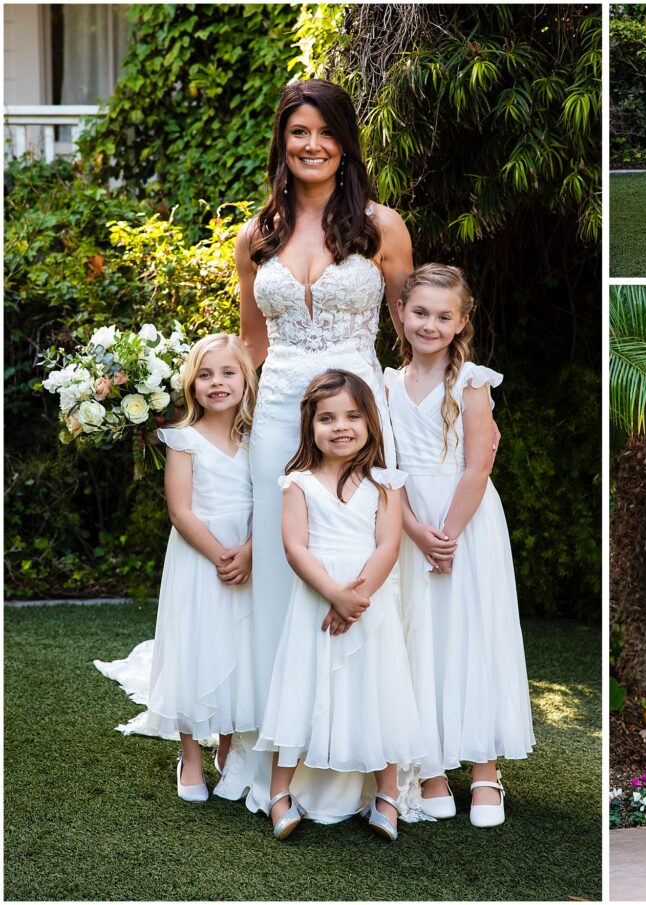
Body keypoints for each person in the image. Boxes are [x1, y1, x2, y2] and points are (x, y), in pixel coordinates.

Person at [216, 78, 416, 820]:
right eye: (298, 131)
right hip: (277, 418)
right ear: (282, 140)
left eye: (324, 131)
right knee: (281, 572)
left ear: (344, 140)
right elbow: (251, 342)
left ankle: (368, 764)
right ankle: (280, 755)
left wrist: (429, 416)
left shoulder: (379, 226)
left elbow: (412, 327)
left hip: (357, 411)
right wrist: (216, 423)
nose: (311, 145)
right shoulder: (255, 235)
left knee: (364, 564)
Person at [384, 264, 535, 828]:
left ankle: (485, 769)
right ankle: (430, 768)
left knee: (472, 630)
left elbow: (479, 464)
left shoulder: (472, 381)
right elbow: (382, 467)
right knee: (418, 636)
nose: (429, 324)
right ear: (400, 314)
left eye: (443, 316)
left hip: (466, 522)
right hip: (408, 519)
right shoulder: (384, 384)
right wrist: (417, 531)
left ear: (460, 322)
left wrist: (446, 533)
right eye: (419, 312)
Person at [255, 370, 423, 841]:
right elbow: (296, 548)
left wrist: (355, 600)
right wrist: (334, 594)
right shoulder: (297, 483)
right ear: (310, 426)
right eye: (327, 418)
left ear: (370, 421)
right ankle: (279, 793)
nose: (340, 426)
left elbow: (388, 546)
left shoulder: (386, 483)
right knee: (300, 689)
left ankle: (386, 795)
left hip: (370, 607)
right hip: (316, 602)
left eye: (352, 415)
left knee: (379, 690)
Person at [148, 333, 259, 801]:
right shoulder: (183, 440)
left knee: (241, 647)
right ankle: (190, 755)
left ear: (245, 378)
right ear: (192, 386)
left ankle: (230, 747)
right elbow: (181, 511)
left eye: (228, 372)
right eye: (206, 375)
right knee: (197, 646)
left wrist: (250, 550)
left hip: (251, 557)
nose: (217, 383)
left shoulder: (260, 437)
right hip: (200, 559)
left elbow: (275, 501)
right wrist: (220, 555)